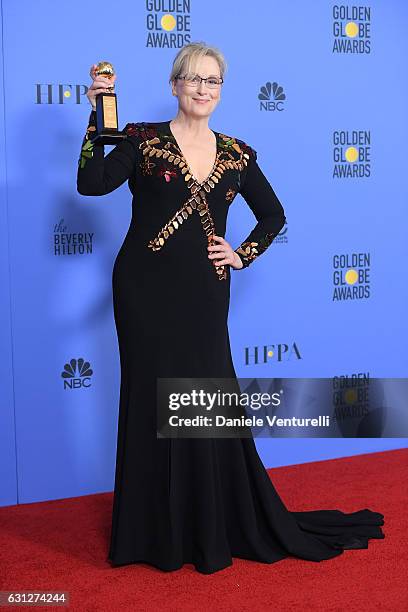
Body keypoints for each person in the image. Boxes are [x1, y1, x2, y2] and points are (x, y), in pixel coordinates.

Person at [76, 42, 384, 574]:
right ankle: (154, 534)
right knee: (151, 402)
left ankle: (210, 522)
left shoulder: (238, 154)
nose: (202, 89)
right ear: (174, 85)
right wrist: (94, 119)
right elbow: (90, 182)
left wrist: (242, 254)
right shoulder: (141, 140)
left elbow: (273, 216)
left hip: (204, 291)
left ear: (222, 90)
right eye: (193, 79)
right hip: (143, 289)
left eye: (213, 81)